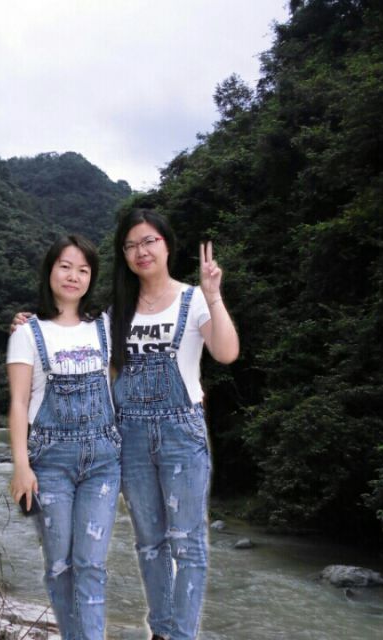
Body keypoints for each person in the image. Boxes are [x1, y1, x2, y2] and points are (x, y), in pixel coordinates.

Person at [111, 208, 239, 640]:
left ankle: (182, 635)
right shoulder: (116, 312)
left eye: (149, 241)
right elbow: (93, 361)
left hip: (181, 433)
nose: (140, 251)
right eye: (131, 245)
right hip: (129, 435)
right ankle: (161, 632)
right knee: (150, 543)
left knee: (187, 543)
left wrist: (214, 295)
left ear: (166, 245)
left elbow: (226, 352)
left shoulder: (194, 298)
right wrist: (27, 323)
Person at [6, 234, 121, 640]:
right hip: (49, 462)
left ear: (92, 278)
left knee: (90, 565)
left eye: (83, 270)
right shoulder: (27, 332)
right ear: (50, 271)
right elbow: (19, 403)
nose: (74, 276)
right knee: (59, 565)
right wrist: (21, 467)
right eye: (65, 267)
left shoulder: (105, 327)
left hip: (104, 461)